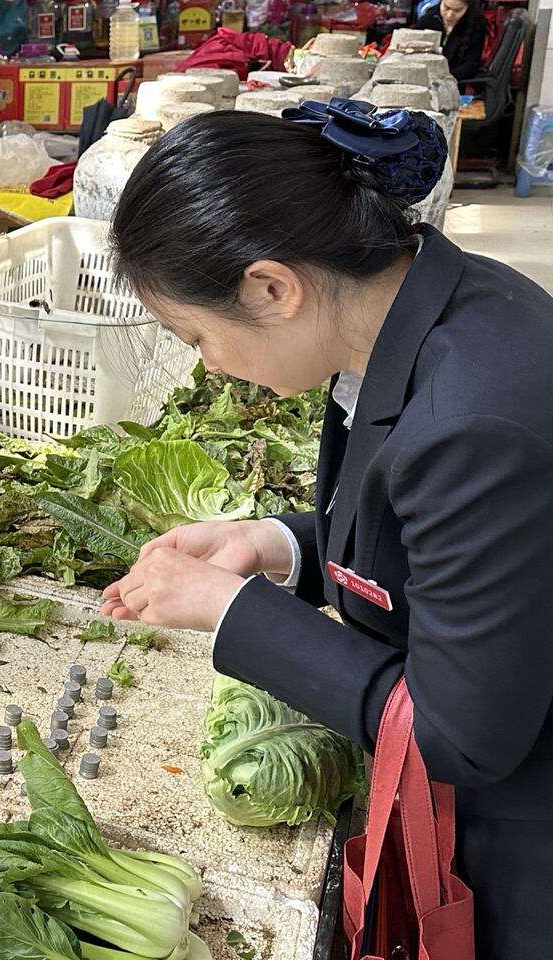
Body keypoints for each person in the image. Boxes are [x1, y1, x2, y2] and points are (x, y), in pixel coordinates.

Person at [101, 101, 553, 958]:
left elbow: (458, 736)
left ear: (273, 287)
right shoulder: (430, 312)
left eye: (198, 335)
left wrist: (231, 612)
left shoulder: (472, 417)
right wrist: (277, 545)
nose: (208, 363)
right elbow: (436, 539)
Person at [416, 0, 487, 85]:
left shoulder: (477, 24)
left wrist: (445, 78)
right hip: (424, 78)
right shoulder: (429, 18)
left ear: (467, 7)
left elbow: (471, 64)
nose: (450, 15)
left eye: (458, 10)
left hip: (455, 81)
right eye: (446, 7)